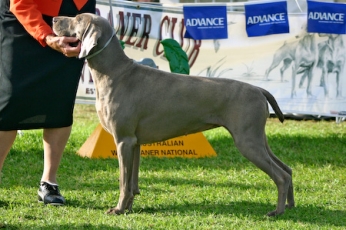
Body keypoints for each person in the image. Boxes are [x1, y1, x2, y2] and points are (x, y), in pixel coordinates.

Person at [0, 0, 96, 205]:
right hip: (21, 19)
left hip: (70, 19)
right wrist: (48, 37)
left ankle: (49, 183)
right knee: (9, 102)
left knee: (59, 103)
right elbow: (21, 5)